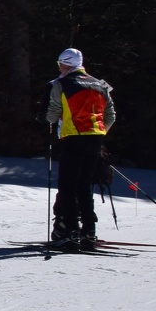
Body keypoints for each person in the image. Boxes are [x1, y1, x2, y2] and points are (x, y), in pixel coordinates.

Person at [46, 47, 116, 251]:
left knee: (68, 187)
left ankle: (69, 232)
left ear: (65, 64)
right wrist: (100, 132)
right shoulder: (100, 84)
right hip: (95, 139)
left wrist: (46, 118)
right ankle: (89, 232)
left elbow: (53, 113)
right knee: (85, 186)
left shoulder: (61, 83)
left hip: (73, 137)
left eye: (60, 64)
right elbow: (111, 115)